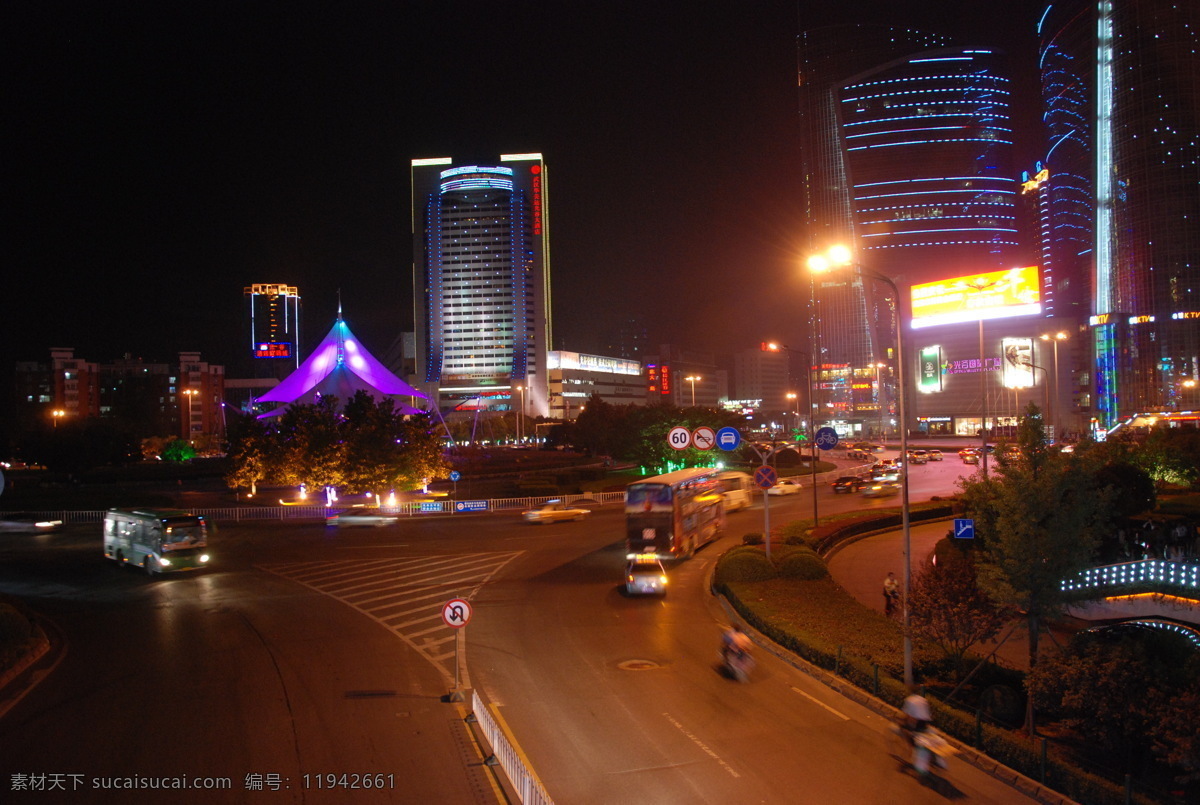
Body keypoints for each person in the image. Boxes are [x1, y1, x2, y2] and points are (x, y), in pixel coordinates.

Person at [901, 684, 934, 777]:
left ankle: (912, 749)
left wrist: (904, 723)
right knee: (921, 734)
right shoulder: (923, 699)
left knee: (907, 732)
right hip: (926, 721)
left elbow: (908, 716)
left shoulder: (909, 700)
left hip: (919, 722)